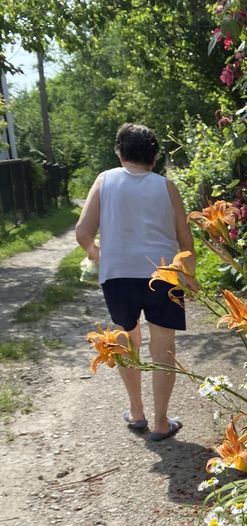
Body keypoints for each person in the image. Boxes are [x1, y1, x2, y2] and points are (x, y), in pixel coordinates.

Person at [76, 122, 195, 441]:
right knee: (163, 347)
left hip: (118, 274)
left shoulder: (104, 180)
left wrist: (94, 252)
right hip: (164, 274)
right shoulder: (166, 187)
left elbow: (83, 232)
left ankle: (137, 412)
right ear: (154, 158)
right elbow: (185, 237)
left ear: (119, 152)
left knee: (126, 341)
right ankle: (160, 422)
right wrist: (191, 276)